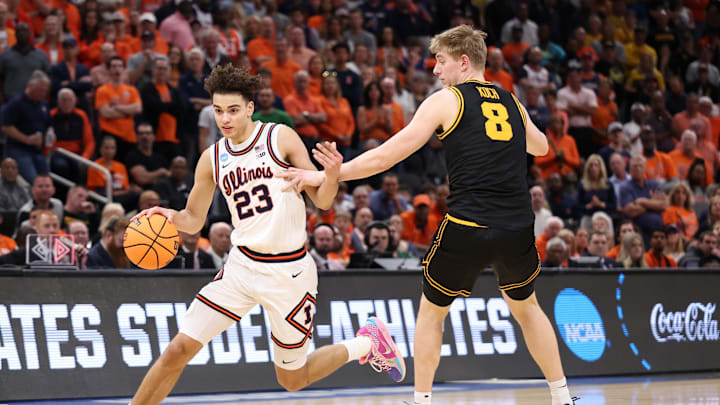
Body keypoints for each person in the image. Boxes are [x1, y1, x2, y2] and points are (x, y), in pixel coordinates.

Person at [278, 25, 575, 405]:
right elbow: (542, 145)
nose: (435, 70)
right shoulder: (512, 101)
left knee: (432, 313)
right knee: (528, 308)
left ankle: (422, 400)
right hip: (517, 226)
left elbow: (388, 155)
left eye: (441, 61)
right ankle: (562, 396)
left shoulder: (447, 100)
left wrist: (323, 175)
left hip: (468, 224)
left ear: (463, 62)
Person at [129, 64, 404, 405]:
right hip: (241, 268)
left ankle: (368, 343)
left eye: (232, 110)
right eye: (217, 111)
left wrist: (330, 176)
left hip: (289, 274)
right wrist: (168, 214)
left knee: (293, 379)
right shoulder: (211, 158)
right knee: (177, 350)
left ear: (249, 108)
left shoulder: (279, 137)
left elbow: (322, 200)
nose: (225, 119)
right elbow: (192, 220)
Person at [1, 70, 51, 183]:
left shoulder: (43, 104)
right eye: (40, 90)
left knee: (46, 180)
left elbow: (49, 125)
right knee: (32, 180)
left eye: (45, 91)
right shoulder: (16, 103)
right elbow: (6, 126)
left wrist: (49, 136)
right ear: (30, 86)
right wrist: (27, 139)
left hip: (37, 151)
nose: (43, 94)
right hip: (18, 149)